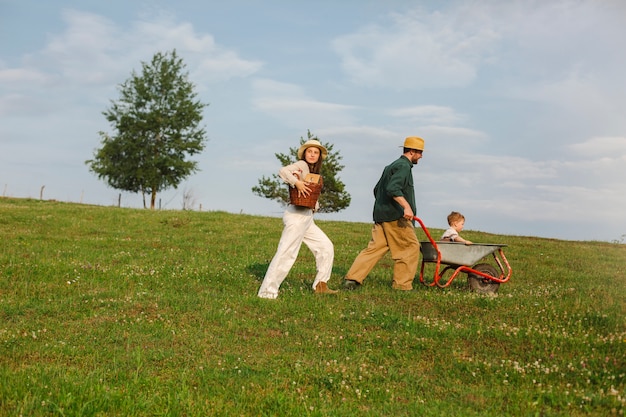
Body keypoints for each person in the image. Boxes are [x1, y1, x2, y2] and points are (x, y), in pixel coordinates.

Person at [258, 139, 337, 299]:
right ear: (304, 153)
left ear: (319, 156)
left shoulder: (312, 170)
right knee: (286, 253)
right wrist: (297, 183)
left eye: (316, 152)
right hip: (296, 216)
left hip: (306, 217)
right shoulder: (301, 164)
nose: (313, 154)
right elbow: (283, 171)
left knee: (325, 247)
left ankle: (320, 285)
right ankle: (267, 292)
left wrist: (315, 204)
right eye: (310, 151)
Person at [343, 136, 425, 291]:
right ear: (412, 152)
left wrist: (384, 207)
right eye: (420, 152)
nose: (421, 156)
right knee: (410, 247)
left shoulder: (391, 166)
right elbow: (393, 188)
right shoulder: (404, 166)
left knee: (375, 248)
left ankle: (352, 279)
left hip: (381, 216)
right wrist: (406, 207)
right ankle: (402, 286)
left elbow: (377, 190)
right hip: (396, 217)